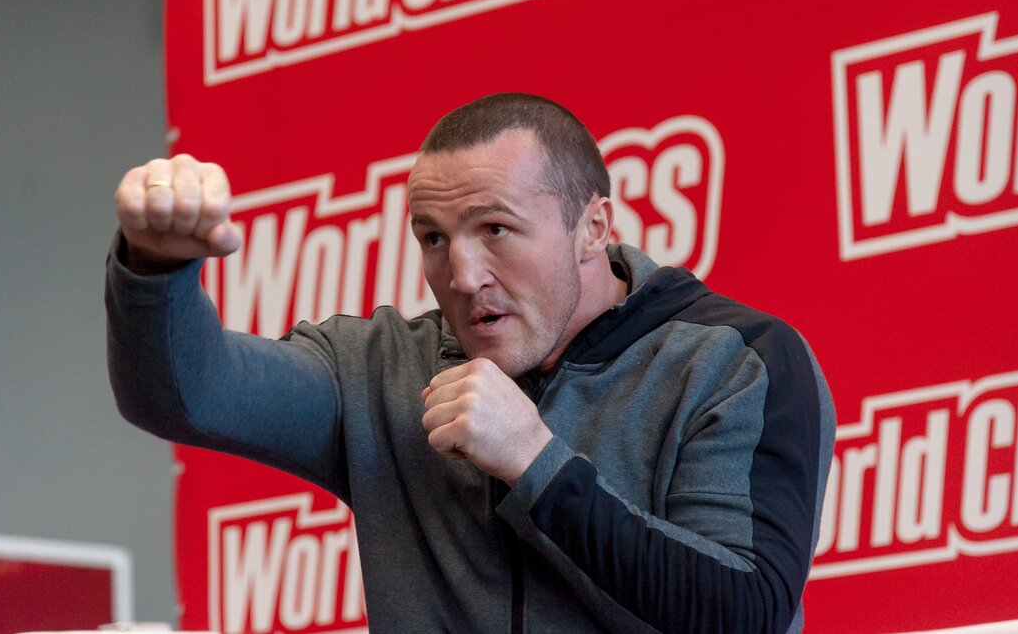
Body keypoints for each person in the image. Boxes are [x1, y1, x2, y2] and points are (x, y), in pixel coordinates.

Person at [106, 93, 836, 633]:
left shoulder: (736, 361)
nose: (462, 275)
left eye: (495, 229)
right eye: (433, 238)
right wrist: (155, 270)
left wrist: (536, 462)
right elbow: (184, 394)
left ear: (593, 228)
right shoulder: (378, 370)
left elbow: (744, 613)